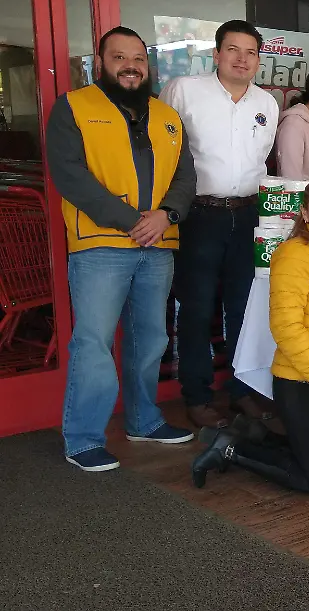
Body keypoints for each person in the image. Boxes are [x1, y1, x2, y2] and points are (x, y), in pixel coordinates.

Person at [46, 26, 197, 470]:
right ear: (100, 61)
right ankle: (83, 439)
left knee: (149, 339)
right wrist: (132, 220)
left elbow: (185, 177)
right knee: (93, 343)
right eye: (119, 57)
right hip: (100, 245)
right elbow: (70, 175)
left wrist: (166, 215)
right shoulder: (74, 107)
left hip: (159, 242)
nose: (130, 66)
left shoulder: (166, 115)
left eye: (138, 58)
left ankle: (144, 421)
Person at [191, 175, 309, 493]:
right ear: (304, 214)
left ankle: (256, 434)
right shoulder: (293, 255)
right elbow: (287, 329)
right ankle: (231, 449)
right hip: (303, 380)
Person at [160, 19, 279, 430]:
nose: (242, 59)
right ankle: (197, 395)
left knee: (244, 309)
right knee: (194, 307)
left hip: (249, 215)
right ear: (216, 53)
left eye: (250, 52)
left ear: (259, 60)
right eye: (233, 49)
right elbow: (163, 154)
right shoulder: (183, 92)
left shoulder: (267, 104)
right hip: (198, 215)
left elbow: (262, 164)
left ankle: (242, 391)